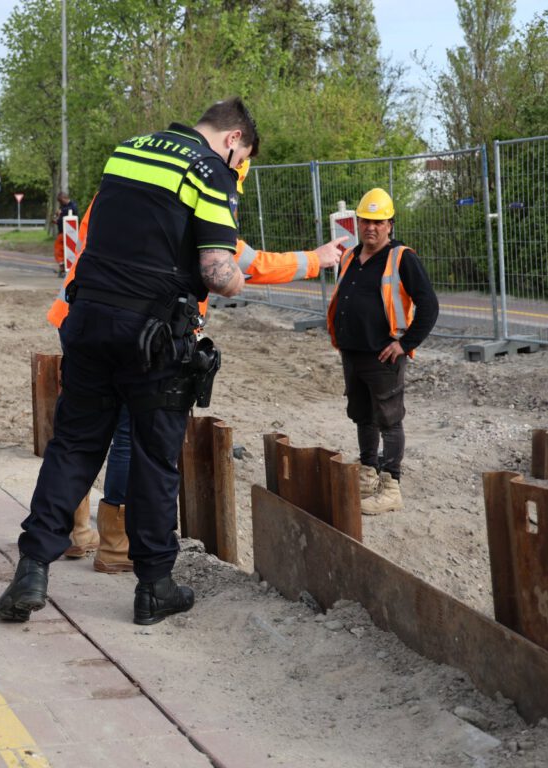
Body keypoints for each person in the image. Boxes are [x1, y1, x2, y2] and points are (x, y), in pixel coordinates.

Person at [0, 97, 259, 626]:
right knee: (154, 457)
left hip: (88, 318)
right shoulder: (210, 168)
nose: (238, 169)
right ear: (234, 141)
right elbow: (215, 269)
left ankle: (31, 568)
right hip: (152, 336)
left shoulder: (130, 150)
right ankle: (155, 586)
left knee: (74, 445)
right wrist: (238, 280)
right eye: (243, 159)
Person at [50, 161, 345, 572]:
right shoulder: (194, 198)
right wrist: (315, 260)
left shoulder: (119, 189)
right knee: (126, 430)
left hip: (79, 314)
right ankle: (116, 544)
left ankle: (67, 528)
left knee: (80, 425)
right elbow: (243, 263)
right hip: (133, 328)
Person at [326, 188, 439, 515]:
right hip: (353, 352)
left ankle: (391, 486)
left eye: (378, 222)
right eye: (365, 221)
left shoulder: (402, 257)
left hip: (383, 355)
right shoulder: (349, 256)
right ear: (358, 222)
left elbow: (429, 305)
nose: (370, 227)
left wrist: (405, 344)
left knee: (389, 419)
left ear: (390, 224)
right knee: (362, 415)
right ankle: (368, 471)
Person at [51, 192, 77, 276]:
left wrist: (61, 212)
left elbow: (73, 210)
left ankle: (65, 267)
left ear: (63, 199)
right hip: (62, 232)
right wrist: (56, 220)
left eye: (61, 201)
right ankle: (62, 266)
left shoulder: (72, 205)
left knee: (61, 249)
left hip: (69, 232)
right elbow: (60, 217)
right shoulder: (63, 207)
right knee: (60, 250)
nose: (60, 203)